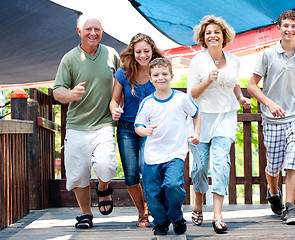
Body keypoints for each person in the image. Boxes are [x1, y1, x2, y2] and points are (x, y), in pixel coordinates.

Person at [247, 10, 295, 225]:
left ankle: (290, 208)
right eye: (286, 25)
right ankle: (273, 191)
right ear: (279, 28)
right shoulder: (267, 55)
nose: (289, 29)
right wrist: (270, 103)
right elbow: (251, 86)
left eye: (293, 26)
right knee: (274, 165)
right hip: (273, 117)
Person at [53, 14, 120, 229]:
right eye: (88, 29)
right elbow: (57, 91)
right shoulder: (70, 58)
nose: (93, 33)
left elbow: (122, 83)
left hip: (104, 123)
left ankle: (103, 187)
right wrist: (71, 94)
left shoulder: (111, 54)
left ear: (102, 31)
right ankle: (85, 214)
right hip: (77, 125)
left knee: (107, 166)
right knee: (78, 173)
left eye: (97, 29)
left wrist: (120, 104)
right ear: (79, 32)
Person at [187, 15, 251, 233]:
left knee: (221, 163)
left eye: (216, 32)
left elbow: (233, 83)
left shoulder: (234, 60)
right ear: (203, 39)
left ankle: (217, 215)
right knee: (200, 166)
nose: (212, 35)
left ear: (224, 36)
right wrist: (207, 81)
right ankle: (197, 203)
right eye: (208, 33)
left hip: (226, 116)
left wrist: (240, 97)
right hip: (201, 117)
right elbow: (191, 94)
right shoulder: (198, 61)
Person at [135, 58, 201, 236]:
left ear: (171, 76)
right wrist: (144, 130)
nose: (160, 78)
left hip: (175, 153)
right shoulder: (148, 103)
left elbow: (196, 113)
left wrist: (196, 133)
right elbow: (138, 126)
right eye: (156, 75)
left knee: (173, 185)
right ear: (150, 78)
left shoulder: (181, 98)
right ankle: (161, 222)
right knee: (153, 192)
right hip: (153, 155)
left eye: (164, 74)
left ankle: (176, 216)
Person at [109, 33, 165, 227]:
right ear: (132, 52)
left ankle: (151, 207)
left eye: (146, 51)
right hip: (126, 128)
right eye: (138, 51)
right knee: (131, 173)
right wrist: (114, 110)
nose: (142, 55)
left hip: (149, 129)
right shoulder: (123, 73)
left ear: (152, 52)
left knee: (146, 167)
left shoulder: (158, 71)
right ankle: (142, 213)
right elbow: (114, 100)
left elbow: (166, 99)